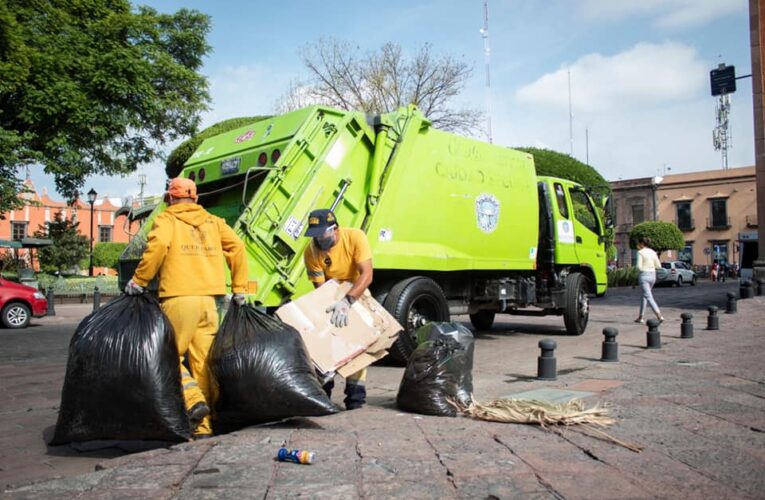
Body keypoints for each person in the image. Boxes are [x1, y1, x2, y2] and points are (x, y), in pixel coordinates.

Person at [125, 177, 248, 438]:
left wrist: (139, 280)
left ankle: (193, 401)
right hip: (210, 302)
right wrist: (240, 288)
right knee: (202, 362)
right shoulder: (213, 223)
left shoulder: (167, 220)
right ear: (196, 198)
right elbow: (237, 247)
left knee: (166, 357)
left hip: (179, 298)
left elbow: (157, 247)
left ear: (170, 198)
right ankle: (206, 426)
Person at [303, 208, 373, 410]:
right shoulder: (312, 251)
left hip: (356, 290)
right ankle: (325, 390)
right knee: (327, 342)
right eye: (314, 235)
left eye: (322, 234)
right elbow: (321, 288)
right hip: (331, 295)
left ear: (335, 229)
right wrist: (332, 307)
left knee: (358, 342)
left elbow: (366, 275)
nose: (318, 239)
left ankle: (355, 397)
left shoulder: (355, 238)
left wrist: (348, 302)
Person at [634, 236, 664, 324]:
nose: (637, 245)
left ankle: (659, 315)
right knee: (645, 296)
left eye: (639, 243)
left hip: (644, 275)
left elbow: (638, 266)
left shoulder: (640, 252)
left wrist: (642, 270)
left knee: (648, 296)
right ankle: (640, 317)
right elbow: (658, 265)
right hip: (653, 275)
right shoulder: (653, 252)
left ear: (642, 243)